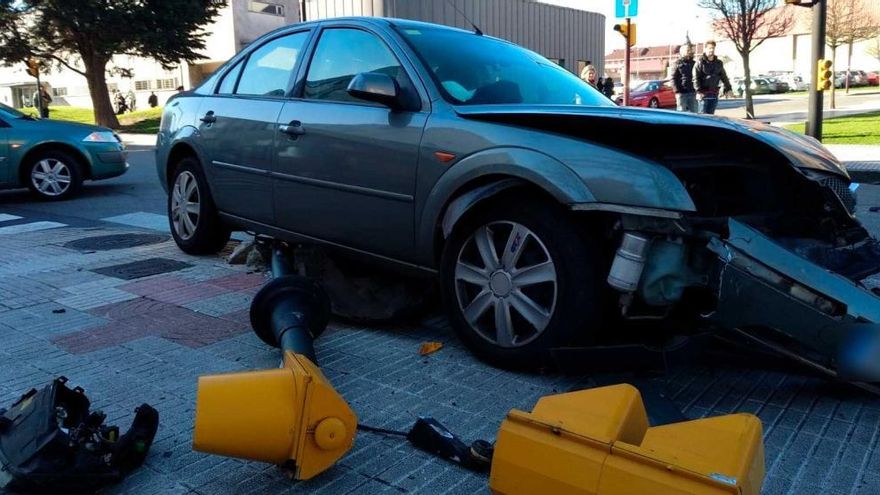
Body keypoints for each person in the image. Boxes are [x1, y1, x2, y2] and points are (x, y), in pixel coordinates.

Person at [693, 40, 733, 115]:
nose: (712, 50)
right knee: (702, 117)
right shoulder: (699, 62)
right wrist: (698, 91)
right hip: (703, 94)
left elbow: (724, 77)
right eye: (710, 48)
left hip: (714, 93)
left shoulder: (718, 63)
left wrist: (729, 89)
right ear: (705, 49)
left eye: (713, 48)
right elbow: (695, 78)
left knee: (711, 117)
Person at [671, 44, 698, 113]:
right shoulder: (677, 63)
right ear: (682, 52)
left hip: (692, 92)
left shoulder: (694, 63)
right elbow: (673, 78)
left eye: (689, 50)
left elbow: (698, 77)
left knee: (695, 113)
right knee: (681, 114)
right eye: (687, 50)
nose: (689, 52)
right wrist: (677, 91)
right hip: (682, 93)